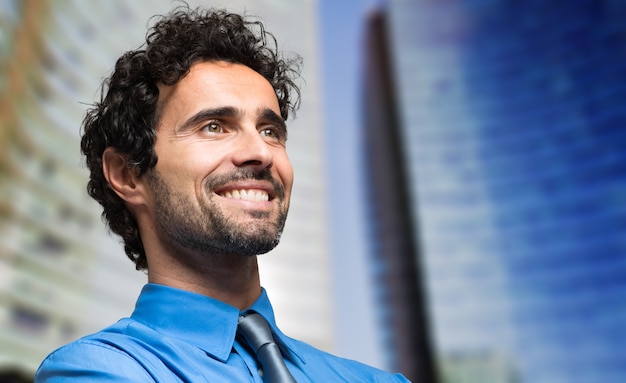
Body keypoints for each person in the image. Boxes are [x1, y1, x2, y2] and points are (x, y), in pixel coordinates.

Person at [34, 5, 410, 383]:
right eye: (215, 126)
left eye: (269, 130)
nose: (261, 153)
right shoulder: (92, 371)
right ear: (128, 174)